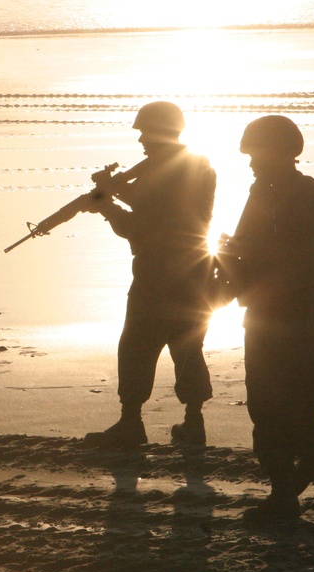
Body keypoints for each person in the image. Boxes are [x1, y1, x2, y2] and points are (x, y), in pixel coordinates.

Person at [220, 115, 314, 522]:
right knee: (266, 406)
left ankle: (292, 483)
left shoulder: (307, 198)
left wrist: (246, 255)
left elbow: (301, 261)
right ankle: (283, 490)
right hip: (266, 314)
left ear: (282, 154)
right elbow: (245, 248)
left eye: (257, 154)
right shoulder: (262, 193)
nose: (251, 163)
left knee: (296, 403)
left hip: (298, 318)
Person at [84, 101, 217, 448]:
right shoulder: (195, 165)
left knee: (136, 347)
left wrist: (106, 206)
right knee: (188, 347)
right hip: (193, 272)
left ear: (160, 132)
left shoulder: (161, 171)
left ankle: (131, 424)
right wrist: (115, 190)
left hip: (158, 274)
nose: (141, 139)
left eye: (145, 132)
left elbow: (139, 226)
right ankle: (193, 423)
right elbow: (157, 204)